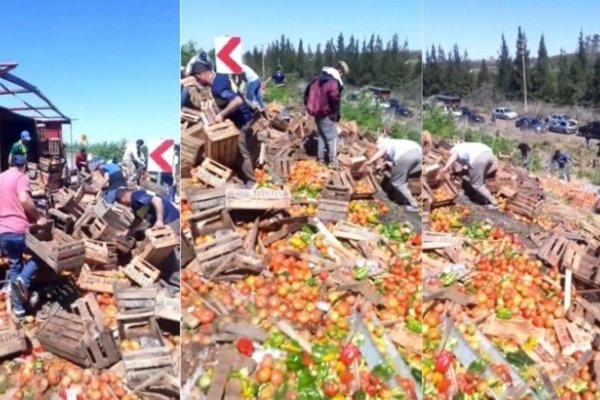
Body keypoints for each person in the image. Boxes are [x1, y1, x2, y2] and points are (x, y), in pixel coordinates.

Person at [190, 57, 257, 184]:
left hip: (241, 121)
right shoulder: (219, 78)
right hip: (239, 119)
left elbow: (237, 101)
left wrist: (221, 115)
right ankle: (241, 176)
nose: (198, 82)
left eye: (197, 78)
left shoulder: (218, 86)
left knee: (242, 152)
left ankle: (251, 181)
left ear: (201, 74)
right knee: (236, 151)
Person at [0, 155, 46, 319]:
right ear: (24, 166)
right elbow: (24, 199)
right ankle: (24, 279)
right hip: (19, 230)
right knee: (43, 255)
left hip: (4, 232)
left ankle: (18, 309)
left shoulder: (1, 178)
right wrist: (38, 217)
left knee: (14, 266)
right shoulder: (21, 177)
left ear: (9, 163)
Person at [304, 61, 349, 165]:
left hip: (316, 112)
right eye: (342, 74)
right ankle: (332, 162)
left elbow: (307, 93)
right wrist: (333, 111)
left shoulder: (317, 78)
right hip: (327, 113)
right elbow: (334, 97)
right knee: (332, 138)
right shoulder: (332, 82)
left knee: (322, 135)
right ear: (340, 71)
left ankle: (320, 160)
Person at [361, 135, 422, 211]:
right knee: (403, 179)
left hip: (406, 155)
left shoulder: (384, 143)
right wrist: (382, 165)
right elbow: (395, 163)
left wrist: (370, 161)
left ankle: (414, 205)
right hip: (418, 152)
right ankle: (401, 198)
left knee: (398, 183)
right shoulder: (395, 143)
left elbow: (382, 151)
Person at [441, 142, 498, 209]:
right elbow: (464, 166)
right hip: (489, 155)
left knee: (477, 184)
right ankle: (480, 199)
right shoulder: (463, 148)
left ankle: (494, 203)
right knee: (480, 181)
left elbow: (454, 156)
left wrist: (445, 168)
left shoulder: (455, 149)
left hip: (480, 158)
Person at [115, 189, 180, 234]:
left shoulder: (137, 197)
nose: (125, 206)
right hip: (167, 220)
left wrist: (159, 220)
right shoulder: (135, 202)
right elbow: (139, 218)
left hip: (170, 218)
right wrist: (128, 231)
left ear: (121, 199)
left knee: (169, 244)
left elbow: (157, 200)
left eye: (121, 203)